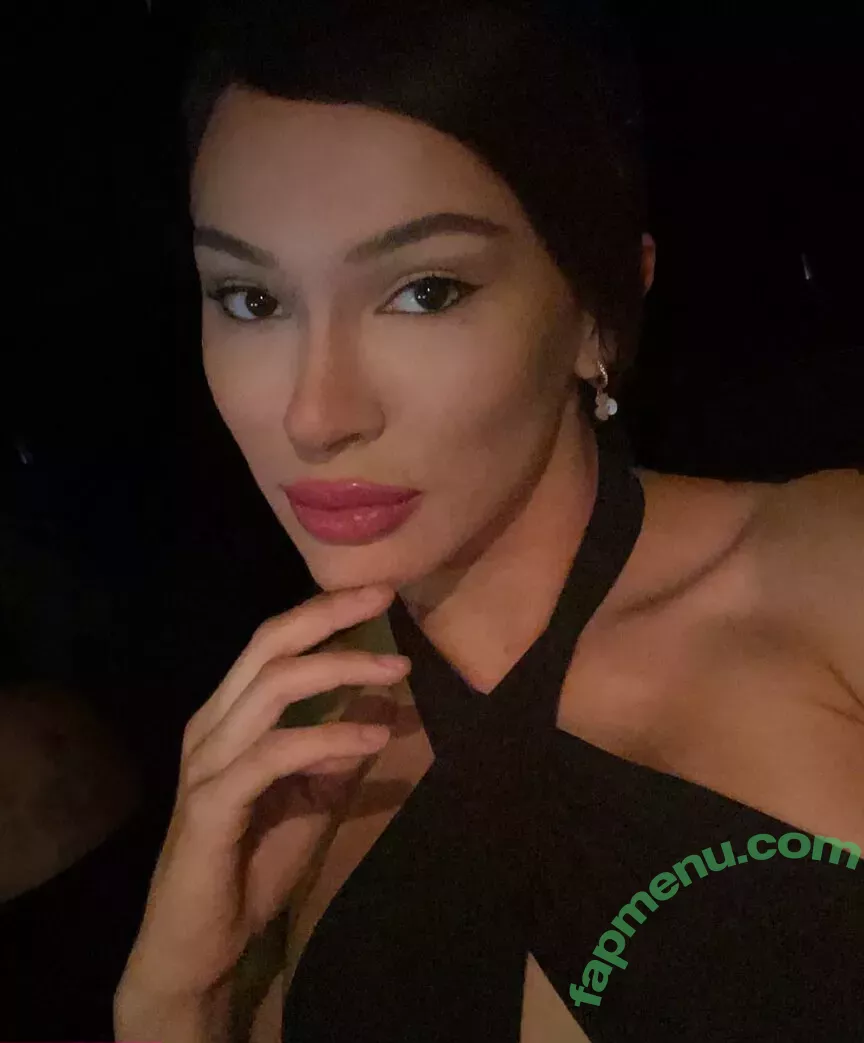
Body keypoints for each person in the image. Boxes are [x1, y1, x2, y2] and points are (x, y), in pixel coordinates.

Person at [115, 2, 863, 1041]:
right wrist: (172, 1001)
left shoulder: (831, 567)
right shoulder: (289, 763)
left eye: (425, 292)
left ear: (598, 312)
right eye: (249, 300)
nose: (316, 415)